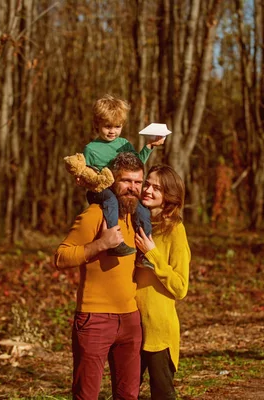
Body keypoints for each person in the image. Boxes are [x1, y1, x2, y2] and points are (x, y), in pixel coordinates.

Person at [54, 152, 146, 400]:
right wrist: (100, 244)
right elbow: (61, 257)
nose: (132, 188)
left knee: (128, 395)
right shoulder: (95, 214)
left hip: (130, 319)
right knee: (86, 395)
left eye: (138, 182)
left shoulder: (135, 218)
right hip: (95, 319)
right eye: (126, 181)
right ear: (112, 181)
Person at [133, 165, 191, 400]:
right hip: (132, 327)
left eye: (157, 188)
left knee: (162, 395)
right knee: (125, 393)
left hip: (159, 331)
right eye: (147, 184)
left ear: (169, 196)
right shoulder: (135, 223)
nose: (147, 190)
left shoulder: (175, 230)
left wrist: (153, 254)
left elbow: (180, 287)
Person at [83, 94, 165, 260]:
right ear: (97, 125)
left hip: (121, 188)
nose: (112, 131)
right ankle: (114, 242)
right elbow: (85, 173)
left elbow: (136, 166)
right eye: (107, 126)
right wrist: (84, 178)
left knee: (142, 210)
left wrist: (149, 146)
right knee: (111, 200)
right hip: (100, 190)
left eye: (117, 126)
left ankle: (145, 250)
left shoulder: (124, 144)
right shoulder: (91, 149)